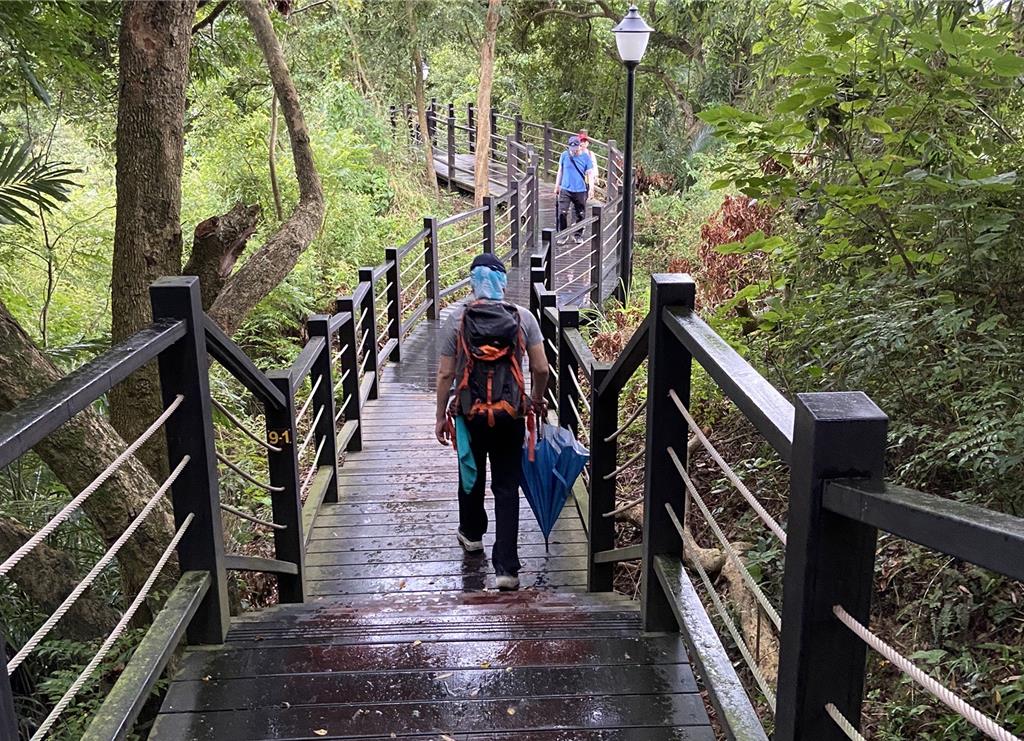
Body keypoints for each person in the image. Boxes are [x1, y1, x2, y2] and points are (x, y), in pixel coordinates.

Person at [434, 253, 549, 591]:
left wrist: (441, 415)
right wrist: (535, 401)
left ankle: (471, 536)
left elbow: (444, 373)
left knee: (470, 473)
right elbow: (541, 369)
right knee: (505, 485)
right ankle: (507, 569)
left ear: (473, 281)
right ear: (502, 281)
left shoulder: (457, 319)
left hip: (469, 415)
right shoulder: (523, 317)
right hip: (511, 414)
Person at [553, 134, 596, 245]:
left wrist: (591, 188)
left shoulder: (586, 157)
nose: (574, 151)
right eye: (572, 149)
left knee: (580, 213)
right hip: (565, 189)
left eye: (575, 149)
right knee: (562, 212)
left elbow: (590, 173)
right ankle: (563, 235)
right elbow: (560, 171)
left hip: (580, 190)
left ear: (580, 146)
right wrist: (557, 185)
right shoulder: (564, 155)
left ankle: (578, 235)